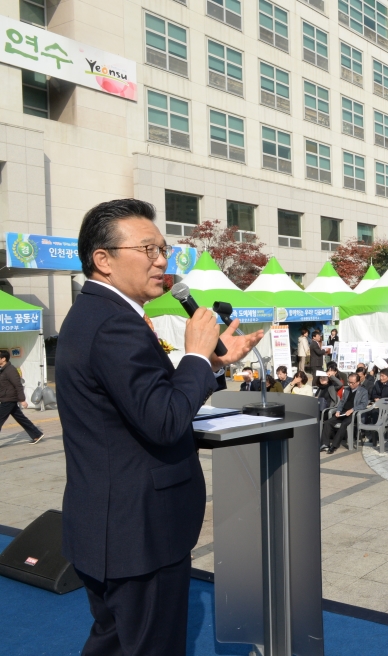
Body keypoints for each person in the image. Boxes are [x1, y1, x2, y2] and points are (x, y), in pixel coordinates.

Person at [57, 199, 262, 655]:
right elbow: (165, 420)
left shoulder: (98, 314)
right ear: (103, 260)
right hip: (138, 532)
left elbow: (148, 398)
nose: (161, 260)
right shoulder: (114, 323)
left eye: (163, 249)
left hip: (112, 525)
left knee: (113, 642)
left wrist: (209, 361)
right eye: (147, 249)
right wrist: (193, 353)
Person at [0, 349, 44, 444]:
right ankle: (37, 434)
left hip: (8, 399)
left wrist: (22, 400)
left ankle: (36, 434)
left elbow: (18, 385)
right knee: (21, 418)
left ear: (3, 359)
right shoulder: (3, 370)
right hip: (6, 398)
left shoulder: (10, 370)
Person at [322, 374, 368, 454]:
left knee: (344, 424)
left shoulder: (363, 391)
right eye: (349, 382)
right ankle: (325, 444)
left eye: (352, 383)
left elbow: (363, 404)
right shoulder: (347, 390)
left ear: (358, 382)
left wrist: (352, 409)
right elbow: (342, 402)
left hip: (354, 414)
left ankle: (334, 446)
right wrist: (338, 410)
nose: (350, 384)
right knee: (328, 422)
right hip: (343, 412)